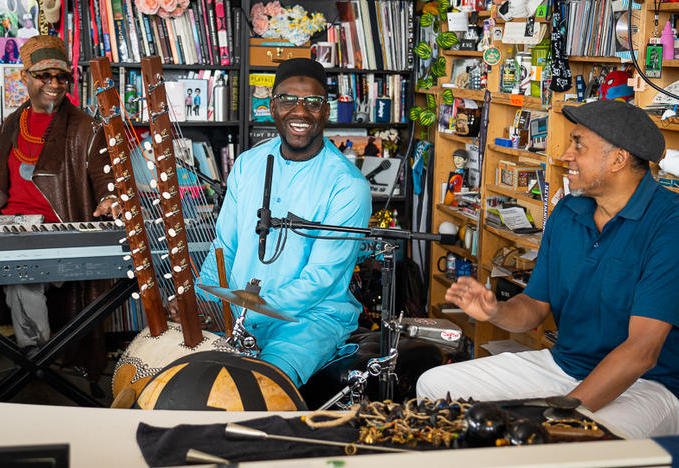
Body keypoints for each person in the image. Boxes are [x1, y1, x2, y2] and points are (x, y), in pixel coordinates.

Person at [417, 100, 679, 439]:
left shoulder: (669, 225)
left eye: (578, 145)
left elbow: (641, 352)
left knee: (577, 442)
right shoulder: (569, 211)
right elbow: (534, 308)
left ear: (618, 158)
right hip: (564, 367)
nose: (565, 154)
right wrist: (495, 310)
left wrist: (561, 411)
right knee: (435, 386)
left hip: (647, 386)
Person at [194, 58, 372, 386]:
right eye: (288, 99)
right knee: (186, 380)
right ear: (272, 106)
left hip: (308, 322)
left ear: (326, 110)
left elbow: (320, 278)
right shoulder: (248, 165)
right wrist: (201, 301)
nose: (300, 111)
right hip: (236, 313)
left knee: (259, 388)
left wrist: (244, 312)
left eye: (313, 101)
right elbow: (224, 246)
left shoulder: (348, 186)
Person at [0, 35, 119, 382]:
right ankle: (33, 359)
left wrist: (110, 198)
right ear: (24, 77)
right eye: (44, 76)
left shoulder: (86, 127)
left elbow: (106, 177)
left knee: (20, 272)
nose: (54, 85)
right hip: (2, 223)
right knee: (12, 260)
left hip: (53, 229)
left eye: (62, 77)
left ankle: (34, 360)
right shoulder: (13, 122)